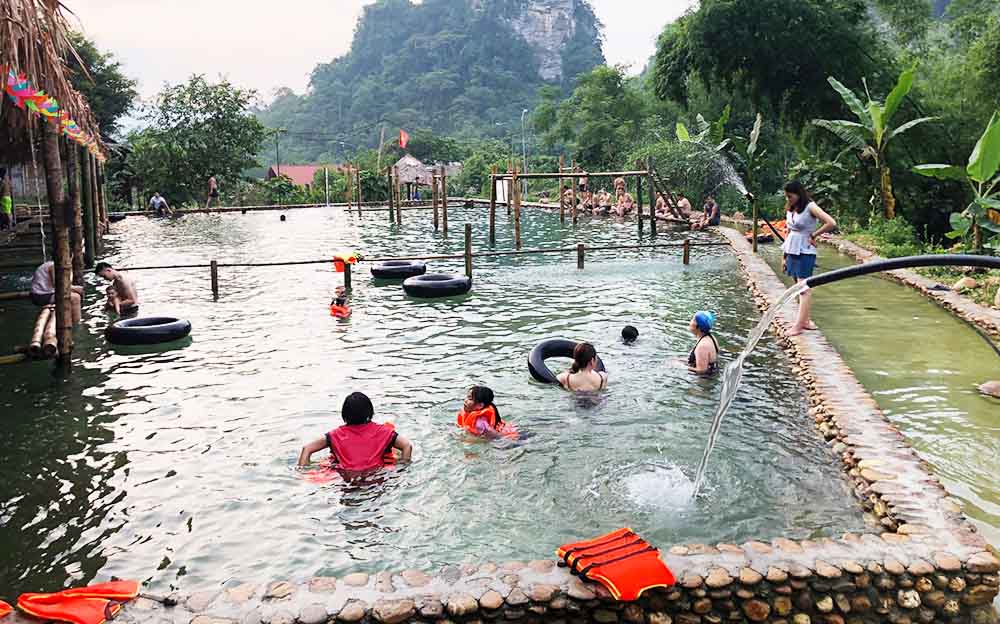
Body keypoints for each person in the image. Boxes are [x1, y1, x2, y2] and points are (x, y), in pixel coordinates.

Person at [297, 392, 413, 470]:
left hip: (345, 480)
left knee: (329, 460)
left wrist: (304, 472)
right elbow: (407, 445)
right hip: (375, 478)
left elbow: (306, 449)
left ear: (345, 414)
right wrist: (402, 465)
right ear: (369, 412)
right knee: (393, 451)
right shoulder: (384, 432)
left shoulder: (334, 435)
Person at [781, 181, 837, 336]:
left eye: (790, 196)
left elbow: (831, 222)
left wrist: (814, 235)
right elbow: (788, 231)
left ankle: (799, 326)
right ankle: (805, 320)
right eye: (787, 197)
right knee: (797, 288)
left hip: (805, 250)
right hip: (791, 248)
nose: (788, 199)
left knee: (804, 288)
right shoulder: (791, 208)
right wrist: (784, 256)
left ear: (798, 194)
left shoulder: (810, 207)